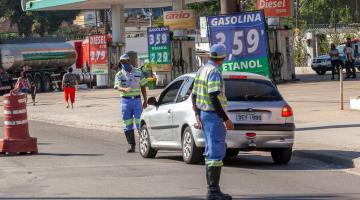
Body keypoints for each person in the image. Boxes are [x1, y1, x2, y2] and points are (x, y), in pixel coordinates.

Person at [192, 44, 233, 200]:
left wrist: (197, 115)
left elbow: (194, 95)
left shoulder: (201, 70)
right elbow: (214, 96)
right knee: (216, 152)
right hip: (213, 116)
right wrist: (225, 119)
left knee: (210, 152)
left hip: (204, 115)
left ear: (210, 56)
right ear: (222, 58)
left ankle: (212, 190)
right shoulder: (214, 72)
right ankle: (213, 191)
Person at [114, 54, 148, 153]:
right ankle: (131, 145)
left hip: (137, 101)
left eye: (125, 61)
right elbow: (117, 87)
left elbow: (143, 87)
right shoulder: (119, 74)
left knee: (139, 123)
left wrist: (145, 100)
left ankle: (144, 144)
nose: (124, 64)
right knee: (127, 123)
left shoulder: (138, 72)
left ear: (129, 61)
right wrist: (124, 89)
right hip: (125, 101)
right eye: (122, 62)